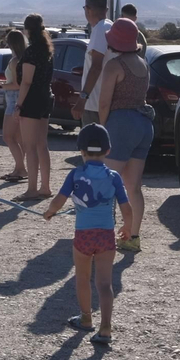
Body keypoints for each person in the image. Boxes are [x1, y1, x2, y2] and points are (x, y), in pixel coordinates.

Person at [43, 124, 131, 346]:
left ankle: (85, 319)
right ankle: (106, 328)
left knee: (82, 278)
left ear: (81, 151)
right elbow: (126, 206)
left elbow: (59, 200)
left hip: (83, 235)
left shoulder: (75, 174)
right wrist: (127, 226)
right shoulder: (114, 177)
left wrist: (50, 213)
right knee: (104, 283)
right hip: (106, 236)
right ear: (108, 150)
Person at [95, 18, 153, 253]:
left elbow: (104, 102)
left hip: (121, 124)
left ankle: (101, 236)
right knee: (133, 186)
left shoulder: (114, 66)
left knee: (104, 184)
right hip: (143, 124)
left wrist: (101, 128)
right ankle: (133, 236)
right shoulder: (143, 63)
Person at [14, 14, 55, 202]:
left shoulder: (31, 52)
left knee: (30, 146)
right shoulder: (47, 49)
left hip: (32, 100)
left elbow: (27, 81)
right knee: (41, 145)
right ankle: (45, 186)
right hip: (46, 97)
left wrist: (19, 104)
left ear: (27, 30)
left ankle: (32, 188)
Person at [77, 0, 114, 127]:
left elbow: (96, 66)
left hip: (95, 105)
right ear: (106, 10)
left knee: (91, 146)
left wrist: (82, 99)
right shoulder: (110, 26)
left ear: (88, 10)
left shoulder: (100, 29)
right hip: (106, 103)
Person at [0, 29, 27, 184]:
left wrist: (1, 86)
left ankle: (21, 168)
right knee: (18, 138)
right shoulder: (20, 59)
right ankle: (19, 168)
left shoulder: (15, 61)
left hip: (13, 100)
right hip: (16, 99)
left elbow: (16, 84)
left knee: (8, 137)